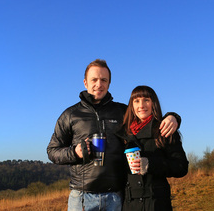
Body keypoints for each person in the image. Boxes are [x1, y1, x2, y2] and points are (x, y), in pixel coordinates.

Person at [47, 59, 182, 211]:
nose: (99, 84)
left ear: (109, 83)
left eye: (104, 80)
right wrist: (74, 152)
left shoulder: (122, 111)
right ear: (85, 82)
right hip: (82, 197)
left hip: (116, 197)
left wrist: (173, 117)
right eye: (94, 80)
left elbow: (146, 115)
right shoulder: (70, 115)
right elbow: (52, 151)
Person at [114, 85, 188, 211]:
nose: (141, 105)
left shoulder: (164, 129)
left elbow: (181, 167)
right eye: (136, 101)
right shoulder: (122, 134)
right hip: (128, 204)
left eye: (146, 100)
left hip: (156, 204)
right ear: (131, 105)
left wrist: (150, 164)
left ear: (154, 103)